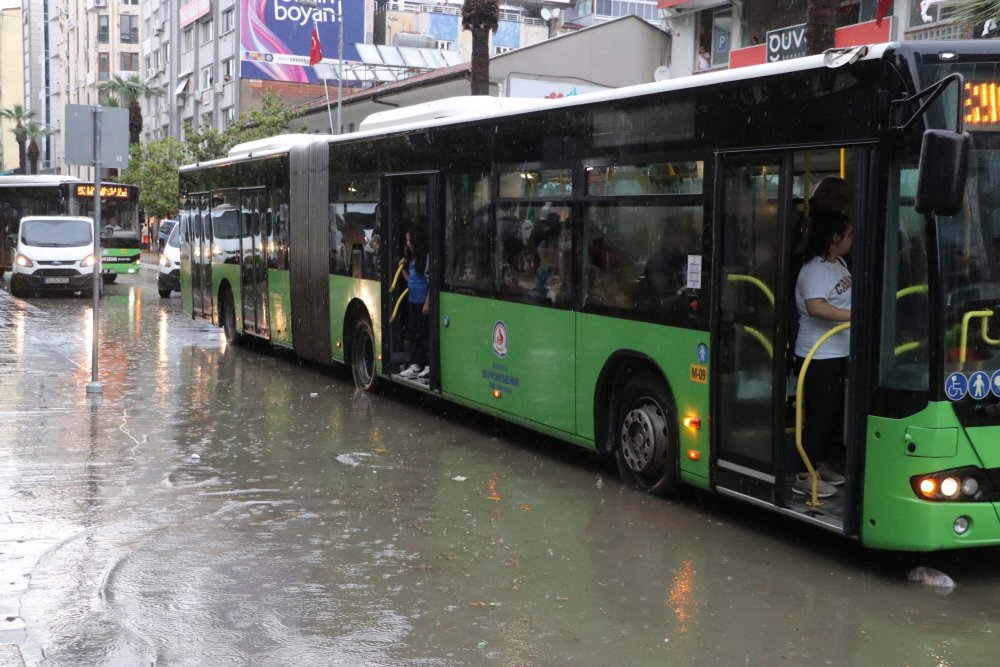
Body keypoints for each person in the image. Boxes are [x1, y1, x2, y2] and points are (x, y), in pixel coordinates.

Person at [793, 208, 853, 498]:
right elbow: (816, 307)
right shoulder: (814, 270)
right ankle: (804, 473)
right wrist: (855, 316)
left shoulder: (839, 263)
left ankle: (821, 463)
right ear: (834, 238)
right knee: (821, 414)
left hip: (838, 350)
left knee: (835, 412)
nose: (852, 240)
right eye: (849, 235)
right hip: (818, 354)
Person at [398, 228, 431, 380]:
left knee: (424, 333)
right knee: (414, 332)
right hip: (413, 299)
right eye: (407, 241)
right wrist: (402, 269)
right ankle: (416, 364)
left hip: (422, 301)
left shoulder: (424, 258)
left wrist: (427, 302)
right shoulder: (411, 258)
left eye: (410, 240)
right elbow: (411, 280)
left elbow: (430, 282)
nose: (408, 244)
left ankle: (427, 364)